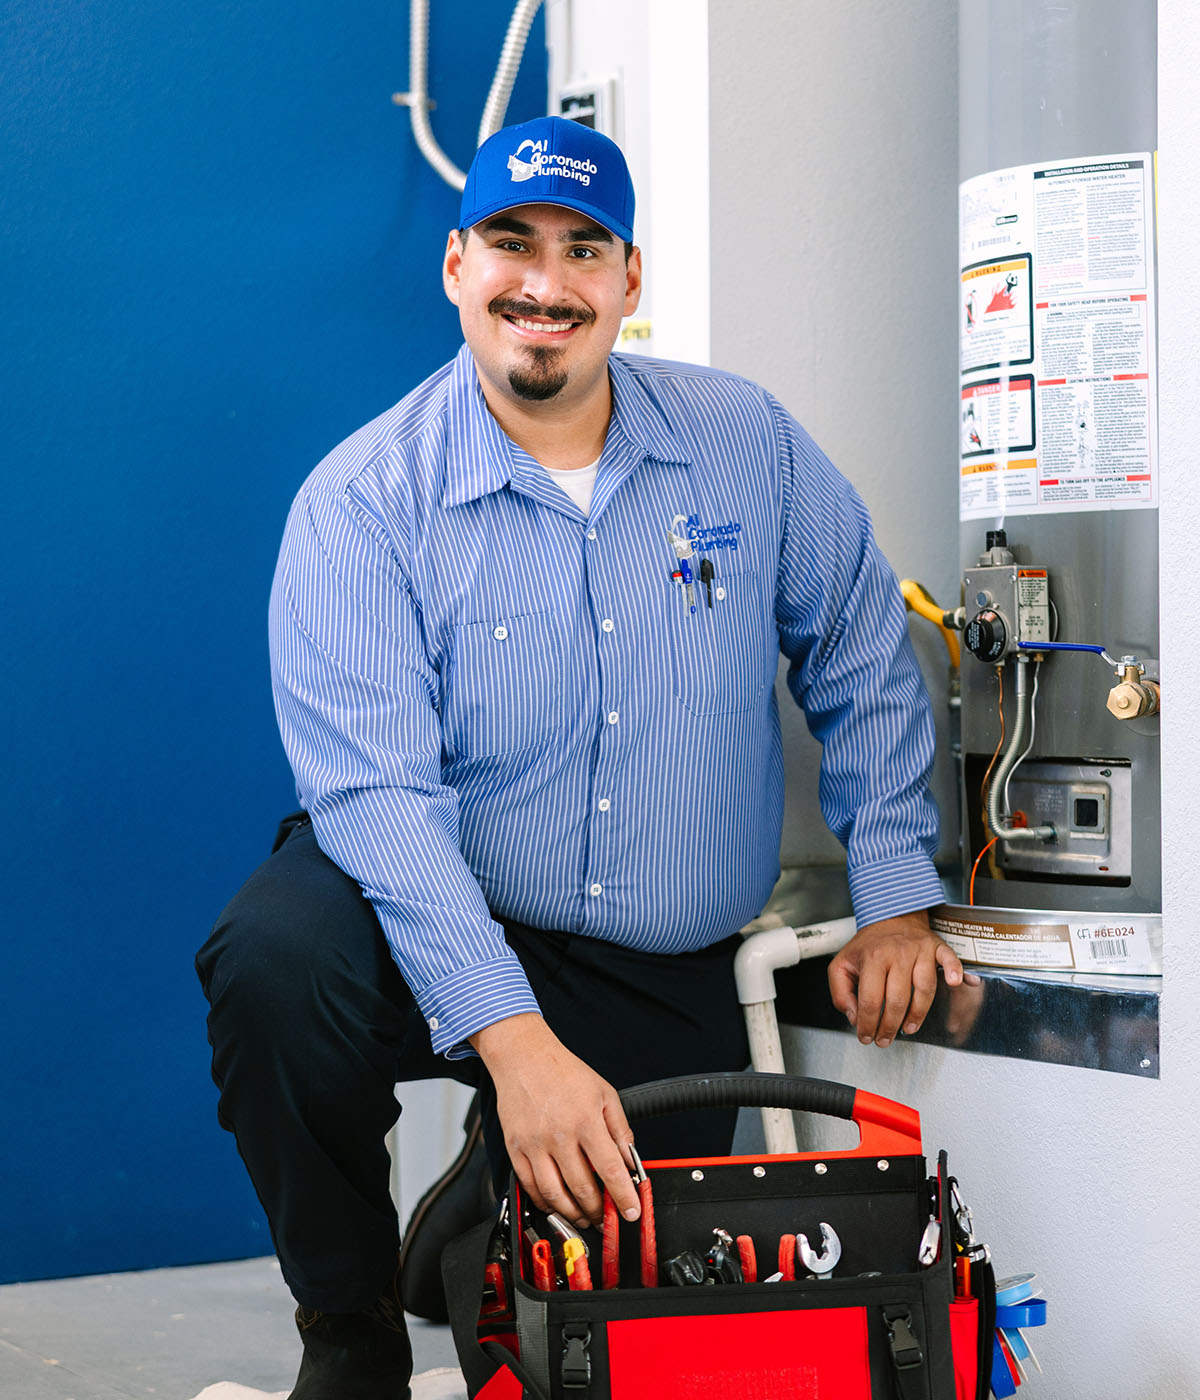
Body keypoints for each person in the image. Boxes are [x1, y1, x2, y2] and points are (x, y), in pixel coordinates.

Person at [196, 115, 976, 1400]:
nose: (543, 283)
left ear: (628, 282)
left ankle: (470, 1213)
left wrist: (896, 892)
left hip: (646, 953)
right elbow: (377, 795)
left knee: (623, 1340)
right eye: (511, 242)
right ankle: (347, 1325)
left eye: (581, 248)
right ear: (457, 266)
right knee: (275, 965)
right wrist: (513, 1040)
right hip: (420, 905)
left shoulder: (748, 445)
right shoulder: (362, 500)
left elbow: (856, 644)